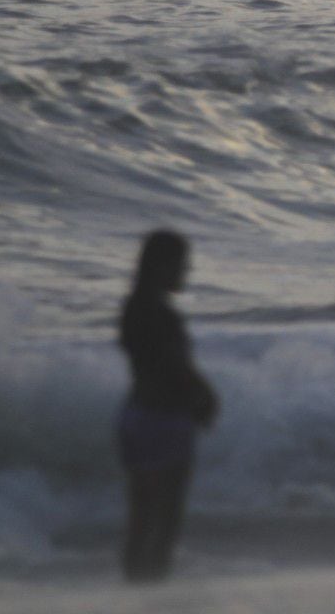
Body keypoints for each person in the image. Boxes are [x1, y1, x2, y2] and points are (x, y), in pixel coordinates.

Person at [116, 229, 218, 582]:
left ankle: (134, 592)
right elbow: (174, 365)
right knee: (166, 521)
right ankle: (151, 595)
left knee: (141, 519)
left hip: (135, 416)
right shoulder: (157, 312)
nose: (186, 272)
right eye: (182, 265)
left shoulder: (133, 306)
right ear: (162, 265)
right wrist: (207, 394)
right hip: (164, 420)